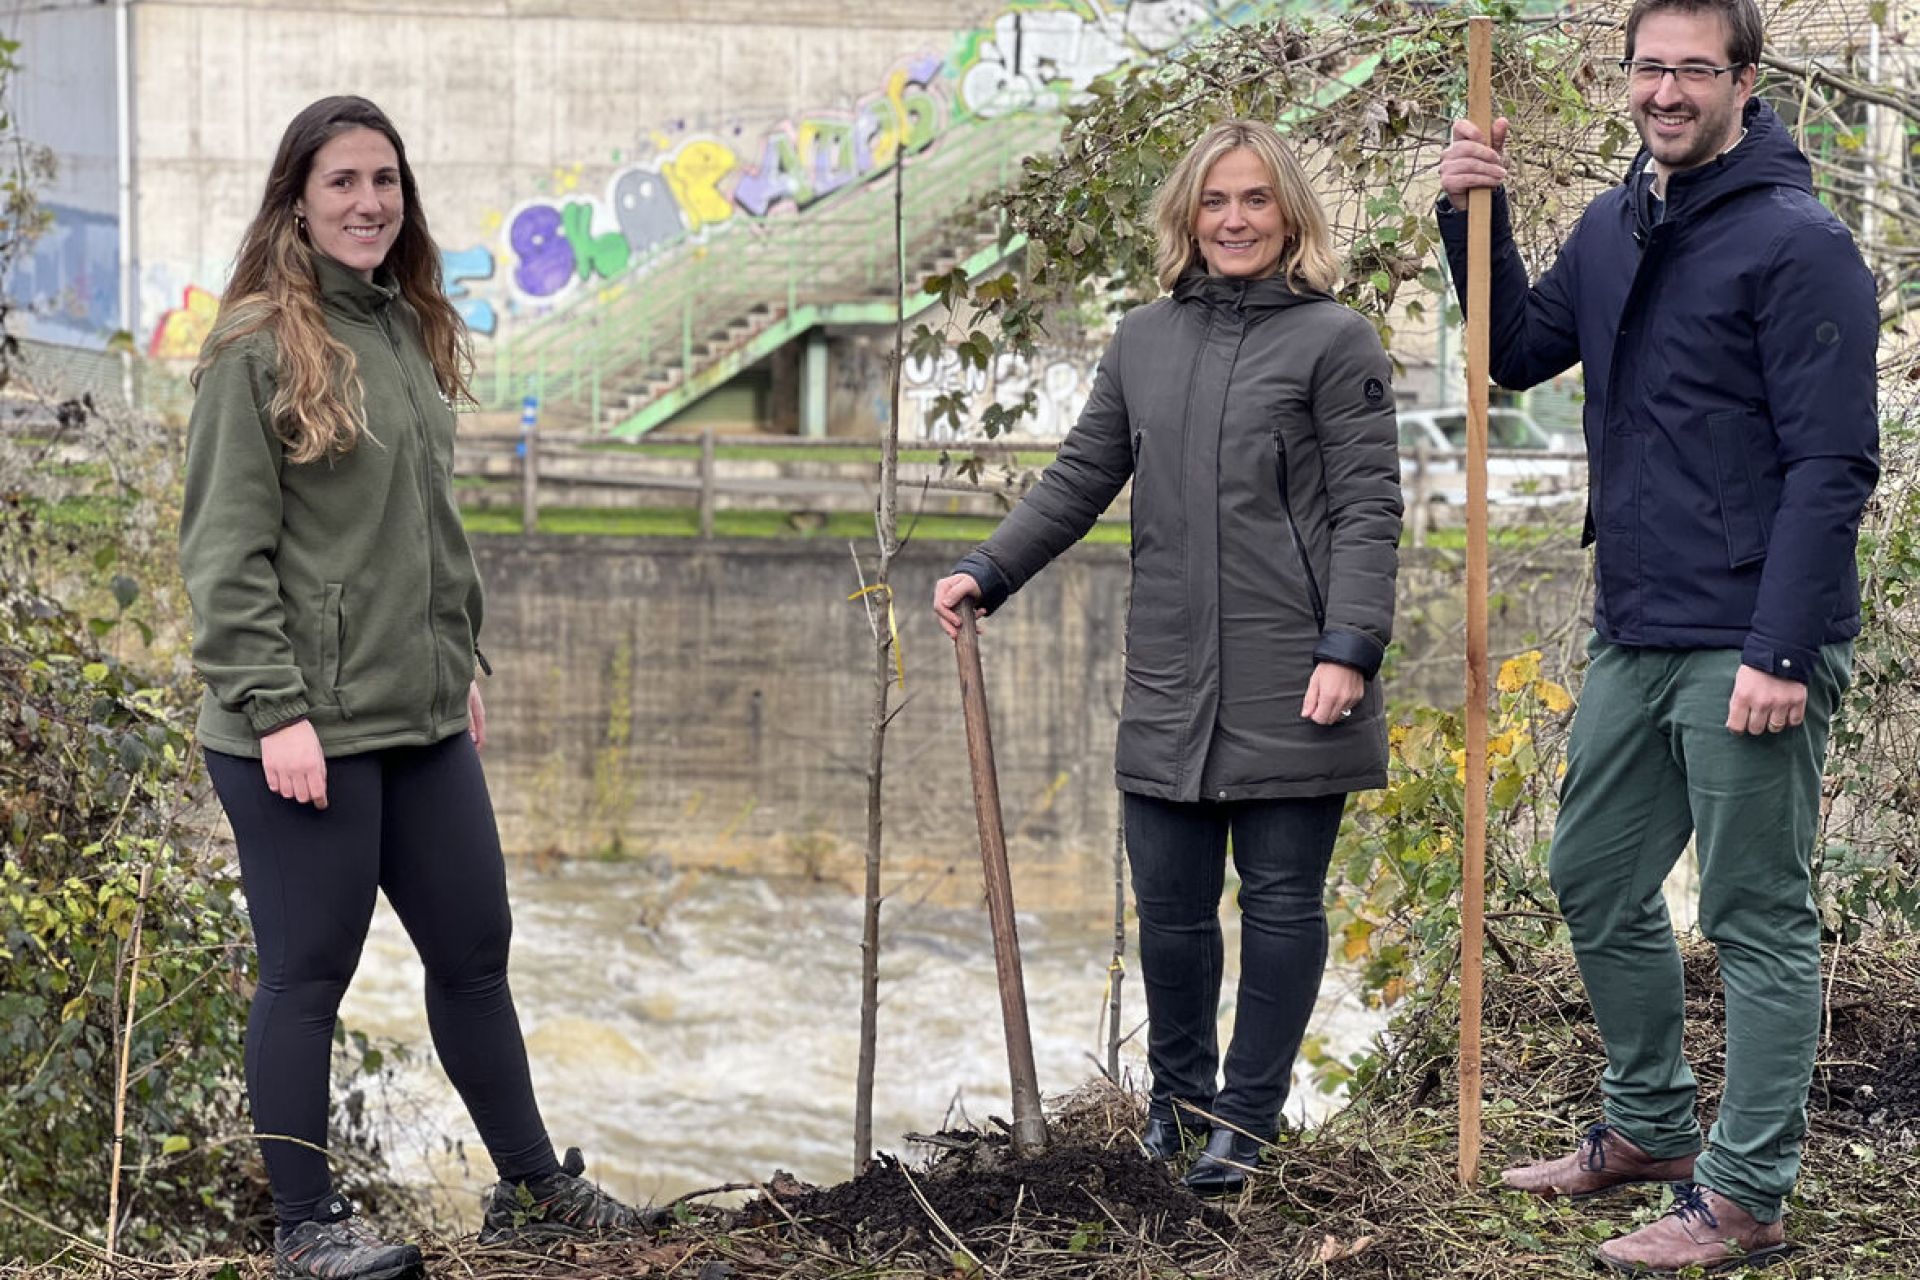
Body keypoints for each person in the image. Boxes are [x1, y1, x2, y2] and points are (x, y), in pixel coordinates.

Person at [1437, 0, 1879, 1270]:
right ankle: (1650, 1128)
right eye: (1649, 66)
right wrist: (1477, 215)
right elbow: (1518, 352)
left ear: (1745, 79)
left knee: (1755, 914)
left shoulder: (1801, 244)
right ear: (1625, 78)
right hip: (1635, 622)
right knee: (1593, 875)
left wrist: (1782, 652)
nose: (1667, 89)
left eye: (1694, 67)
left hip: (1750, 633)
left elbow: (1834, 463)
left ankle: (1744, 1196)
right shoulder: (1620, 220)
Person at [179, 97, 650, 1279]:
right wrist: (276, 708)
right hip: (298, 728)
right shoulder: (254, 349)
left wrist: (456, 665)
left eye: (384, 180)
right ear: (298, 198)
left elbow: (422, 530)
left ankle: (535, 1187)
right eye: (341, 181)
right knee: (308, 970)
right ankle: (306, 1227)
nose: (367, 202)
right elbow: (224, 554)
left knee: (476, 947)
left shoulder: (402, 326)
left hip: (421, 712)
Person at [932, 119, 1403, 1196]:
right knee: (1175, 910)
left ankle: (1246, 1118)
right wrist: (987, 570)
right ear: (1187, 217)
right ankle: (1176, 1109)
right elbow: (1077, 477)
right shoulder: (1144, 339)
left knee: (1282, 901)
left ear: (1290, 215)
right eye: (1214, 202)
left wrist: (1351, 648)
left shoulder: (1338, 341)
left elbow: (1373, 509)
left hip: (1299, 673)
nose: (1233, 220)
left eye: (1254, 201)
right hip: (1168, 677)